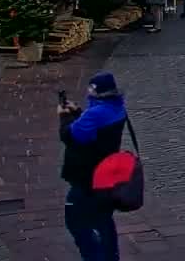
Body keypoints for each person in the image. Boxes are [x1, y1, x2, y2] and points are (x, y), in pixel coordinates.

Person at [60, 71, 127, 261]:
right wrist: (79, 114)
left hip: (87, 177)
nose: (88, 91)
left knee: (75, 221)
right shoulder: (117, 108)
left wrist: (64, 117)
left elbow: (71, 137)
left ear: (97, 91)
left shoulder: (96, 113)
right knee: (103, 220)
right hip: (107, 175)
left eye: (91, 88)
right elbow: (95, 131)